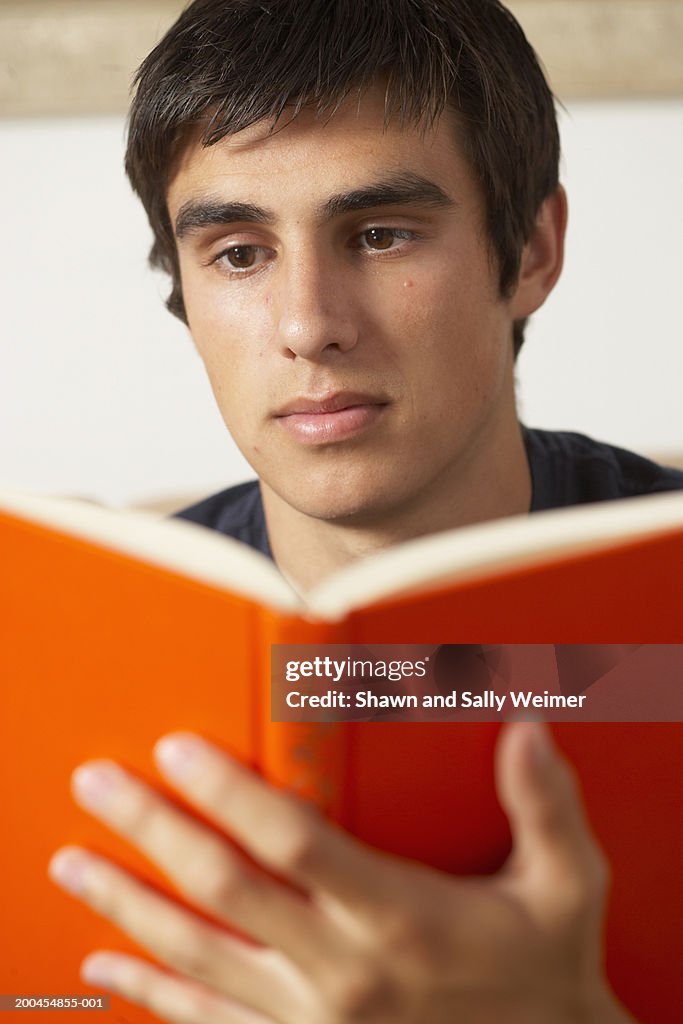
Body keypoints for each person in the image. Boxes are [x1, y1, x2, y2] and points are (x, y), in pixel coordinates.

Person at [47, 1, 681, 1020]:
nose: (308, 325)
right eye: (238, 253)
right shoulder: (61, 639)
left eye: (380, 234)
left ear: (526, 252)